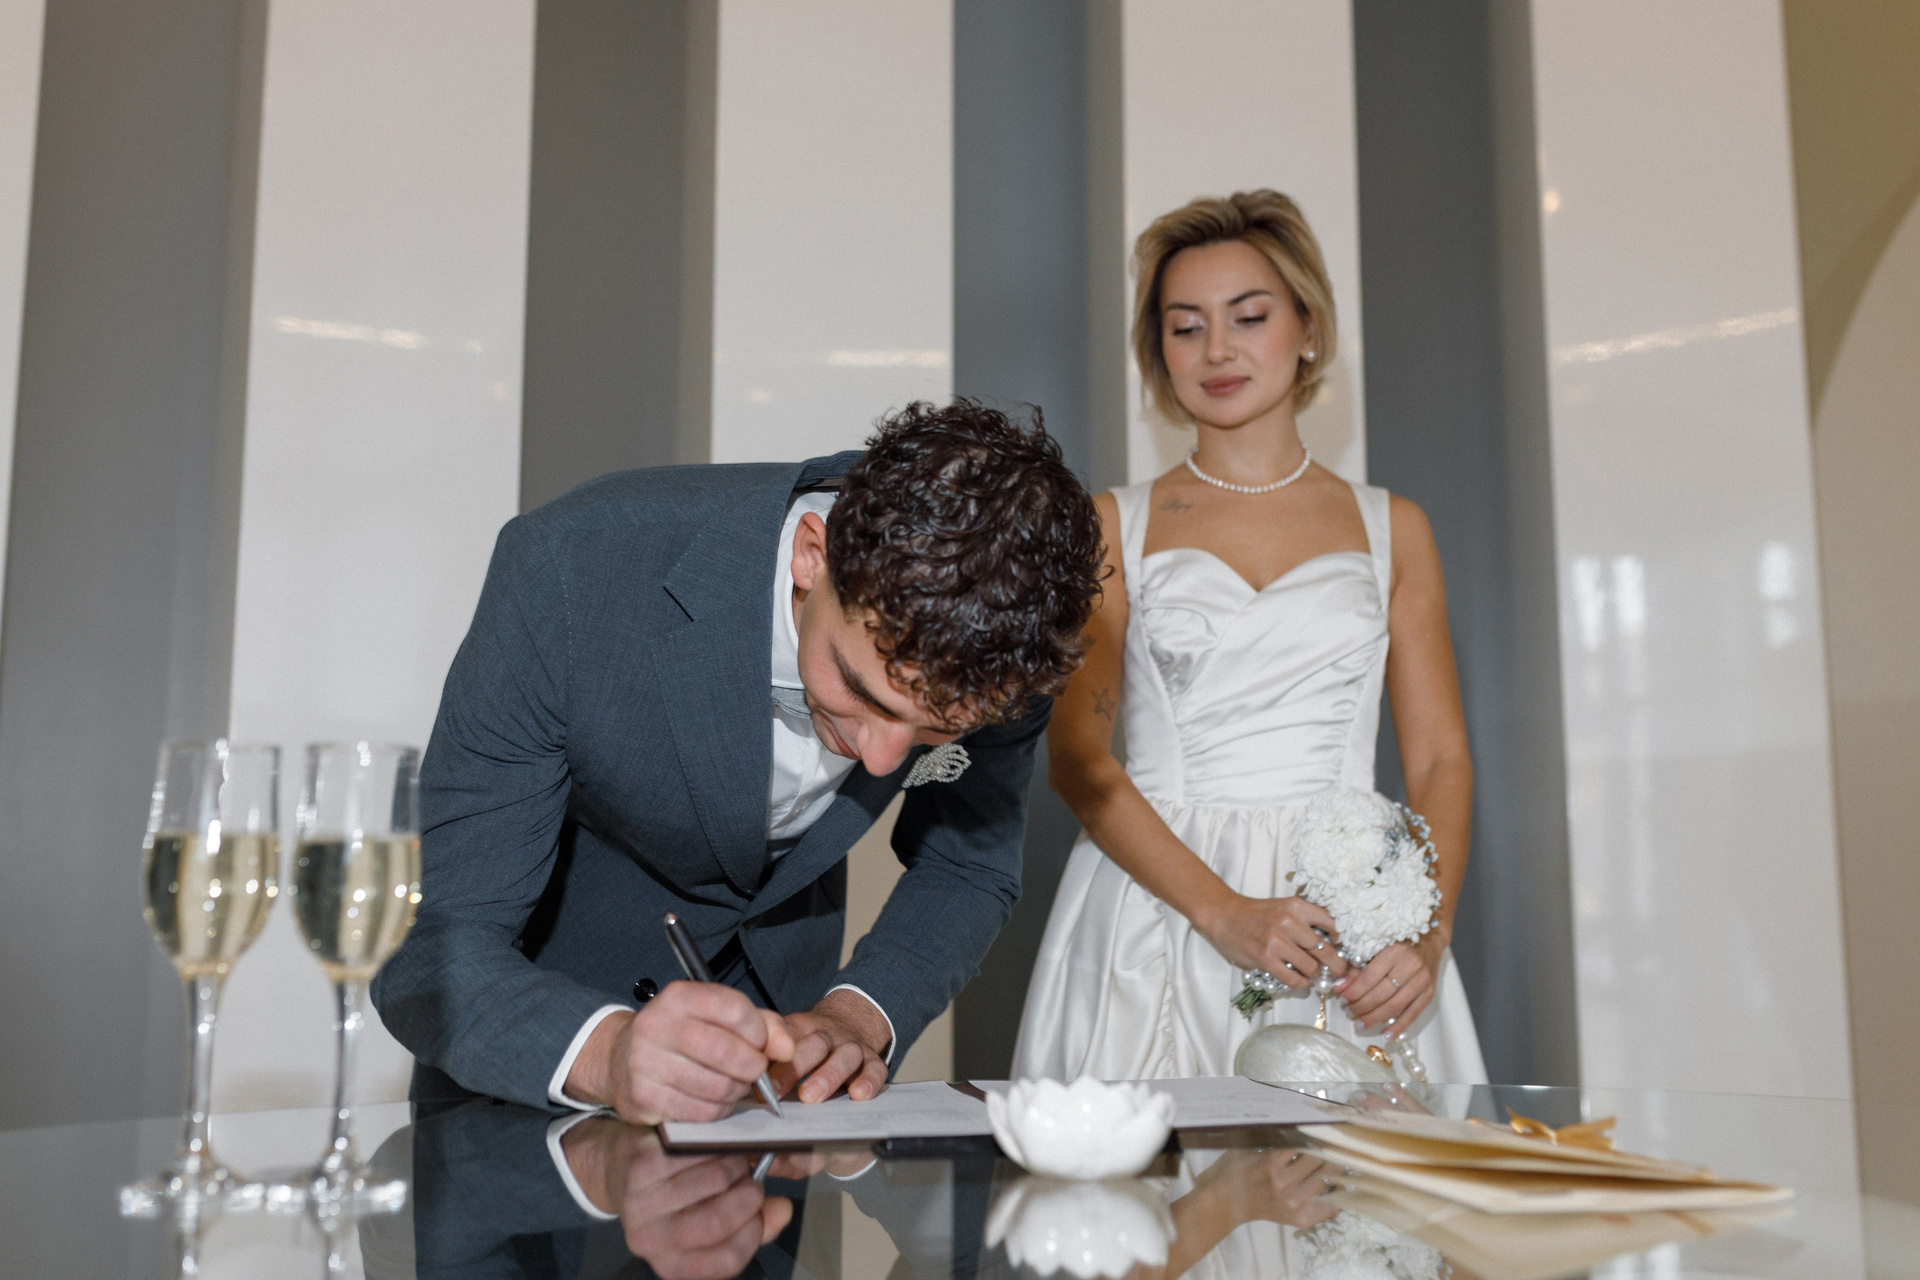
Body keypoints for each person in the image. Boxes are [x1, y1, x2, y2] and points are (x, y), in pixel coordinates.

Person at [372, 400, 1103, 1124]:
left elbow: (967, 866)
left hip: (781, 1103)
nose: (883, 761)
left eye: (933, 732)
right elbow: (436, 939)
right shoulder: (570, 567)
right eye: (859, 690)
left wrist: (855, 1016)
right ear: (813, 555)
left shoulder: (1012, 633)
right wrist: (606, 1054)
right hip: (530, 1068)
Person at [1011, 191, 1487, 1084]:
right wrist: (1222, 912)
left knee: (1359, 1167)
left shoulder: (1395, 528)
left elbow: (1440, 761)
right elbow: (1077, 758)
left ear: (1308, 327)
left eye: (1249, 317)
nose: (1217, 350)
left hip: (1352, 922)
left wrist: (1426, 929)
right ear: (1158, 351)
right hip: (1160, 908)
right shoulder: (1113, 526)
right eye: (1186, 327)